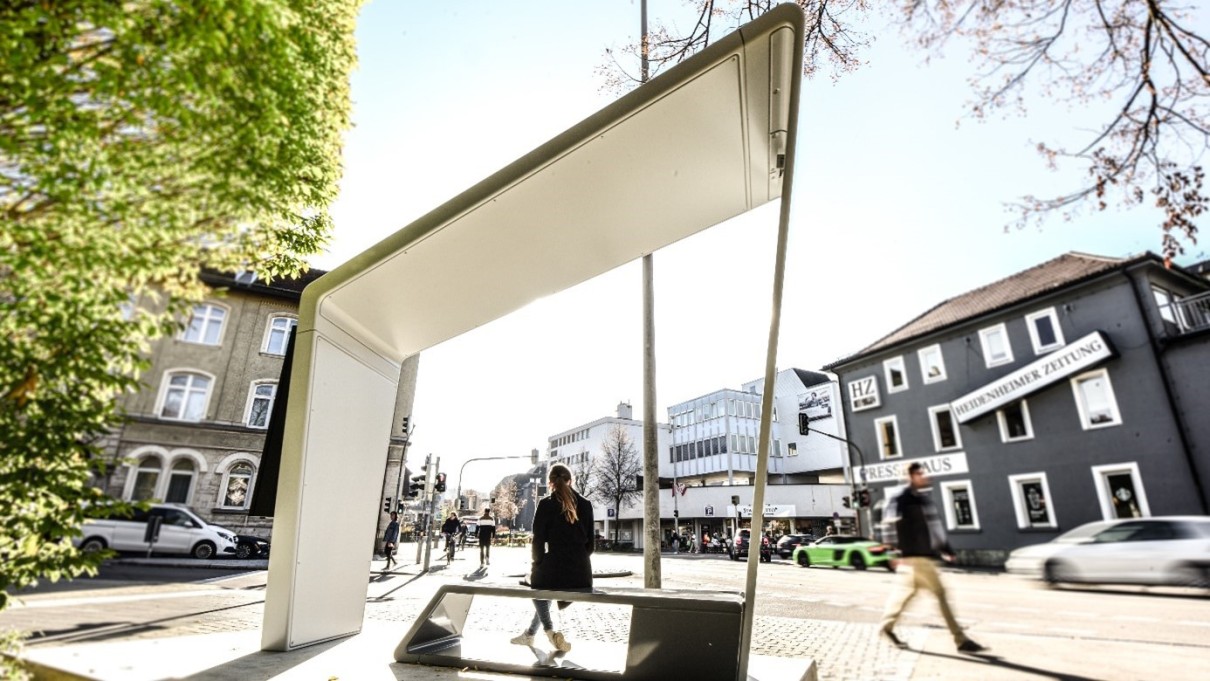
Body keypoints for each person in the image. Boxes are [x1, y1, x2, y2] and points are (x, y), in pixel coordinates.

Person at [880, 462, 986, 654]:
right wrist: (893, 553)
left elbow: (934, 528)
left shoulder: (922, 499)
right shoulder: (901, 498)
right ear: (911, 476)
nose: (924, 475)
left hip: (923, 556)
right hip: (916, 557)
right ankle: (960, 640)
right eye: (920, 473)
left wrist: (947, 548)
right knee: (941, 594)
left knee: (906, 595)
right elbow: (889, 526)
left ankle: (886, 628)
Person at [510, 463, 594, 653]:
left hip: (556, 567)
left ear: (550, 482)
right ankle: (530, 634)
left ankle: (549, 632)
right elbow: (591, 546)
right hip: (582, 574)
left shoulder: (546, 504)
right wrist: (577, 560)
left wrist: (537, 563)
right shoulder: (587, 505)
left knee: (535, 581)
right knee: (543, 582)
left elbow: (538, 541)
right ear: (570, 480)